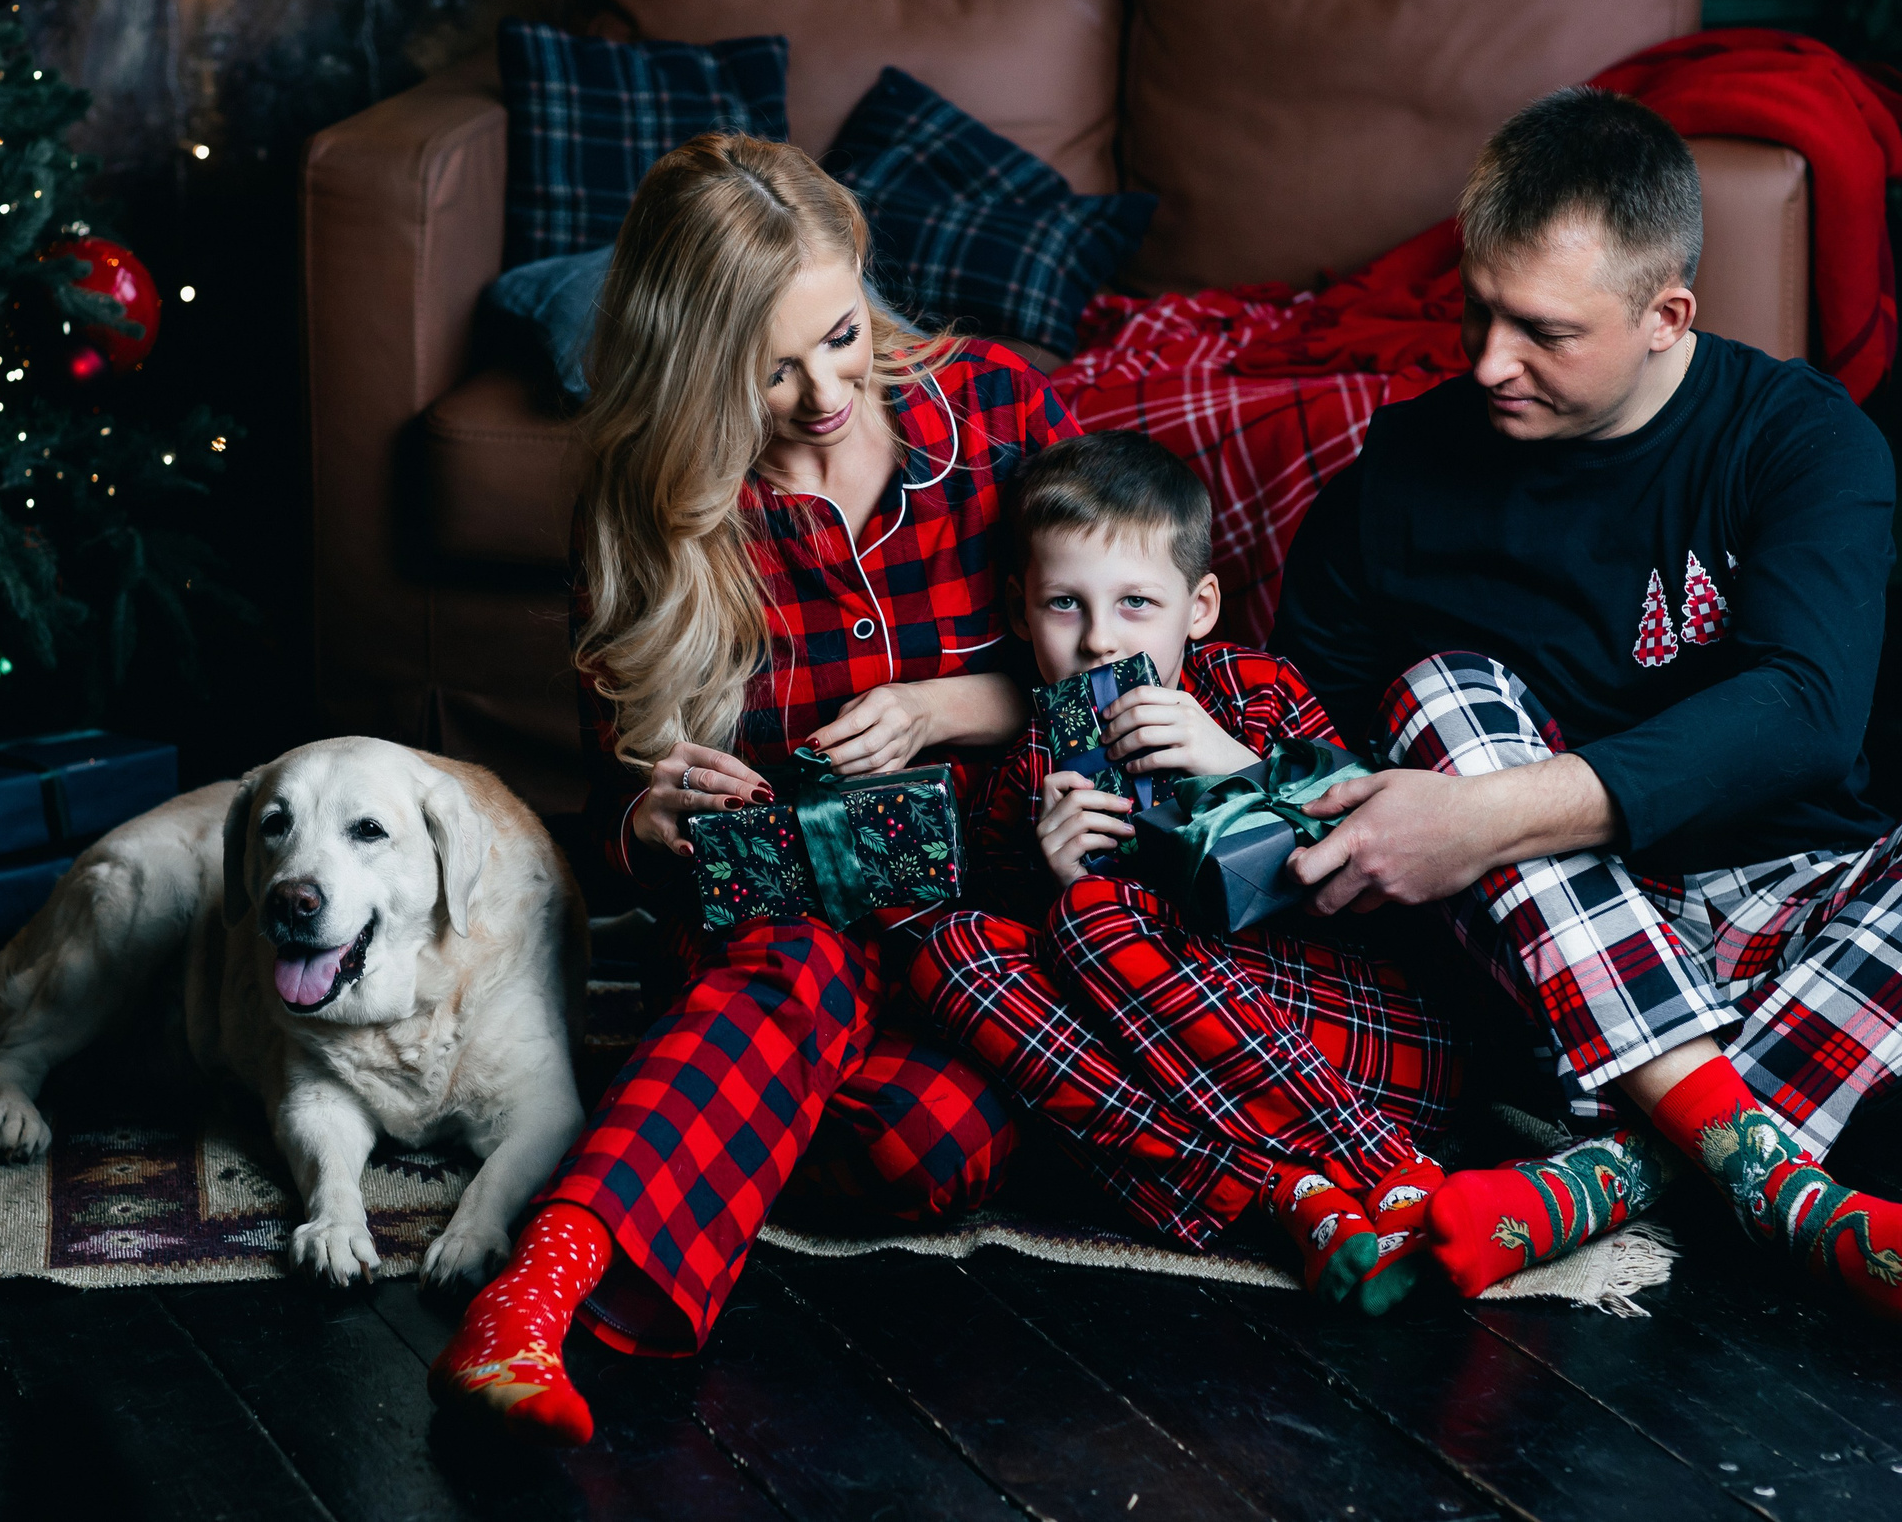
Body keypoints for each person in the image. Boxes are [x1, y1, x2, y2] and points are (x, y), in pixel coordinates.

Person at [1272, 86, 1902, 1328]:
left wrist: (1488, 814)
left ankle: (1612, 1173)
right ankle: (1784, 1189)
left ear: (1667, 315)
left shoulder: (1797, 440)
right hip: (1533, 955)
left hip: (1785, 915)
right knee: (1440, 691)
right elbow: (1301, 739)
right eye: (1477, 309)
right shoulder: (1400, 472)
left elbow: (1806, 711)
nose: (1488, 361)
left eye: (1544, 332)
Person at [429, 134, 1076, 1444]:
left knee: (927, 1144)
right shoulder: (649, 508)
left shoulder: (1003, 411)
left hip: (983, 929)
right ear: (693, 367)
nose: (825, 392)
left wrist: (949, 706)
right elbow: (617, 824)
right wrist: (651, 818)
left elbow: (1131, 684)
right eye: (770, 369)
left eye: (842, 335)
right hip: (772, 931)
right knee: (801, 965)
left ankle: (693, 1110)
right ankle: (536, 1292)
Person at [910, 432, 1460, 1312]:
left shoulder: (1254, 691)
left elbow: (1375, 864)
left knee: (1096, 918)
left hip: (1352, 1040)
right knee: (956, 949)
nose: (1100, 639)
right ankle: (1283, 1192)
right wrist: (1053, 877)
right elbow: (1031, 1002)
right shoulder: (1031, 770)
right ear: (1020, 610)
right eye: (1064, 604)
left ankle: (1386, 1165)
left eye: (1136, 603)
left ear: (1198, 607)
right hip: (1184, 1088)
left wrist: (1236, 767)